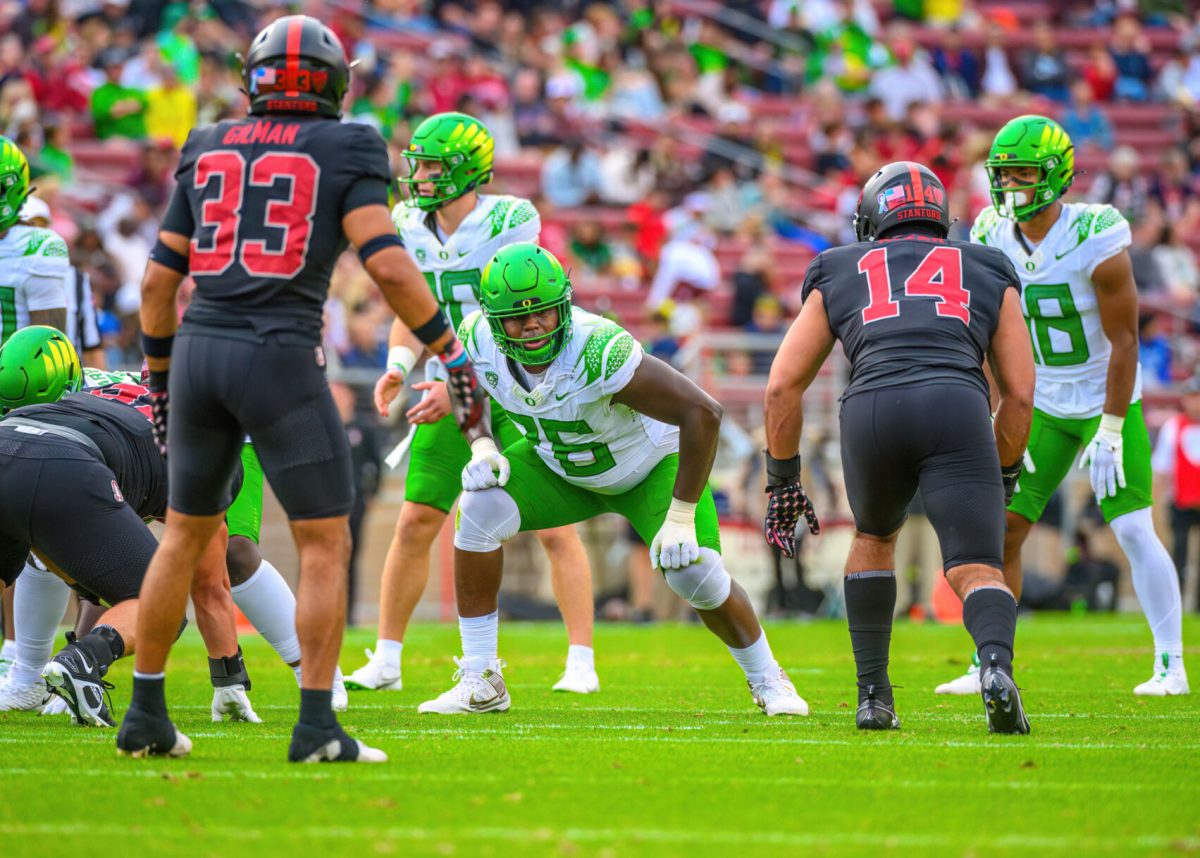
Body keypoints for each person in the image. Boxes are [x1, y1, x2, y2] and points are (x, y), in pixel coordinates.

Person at [117, 16, 486, 764]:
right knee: (325, 541)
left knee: (185, 537)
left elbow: (159, 283)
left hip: (199, 351)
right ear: (333, 81)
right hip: (279, 351)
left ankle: (146, 714)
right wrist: (451, 351)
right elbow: (385, 266)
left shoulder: (208, 143)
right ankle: (316, 726)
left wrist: (161, 383)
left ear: (252, 78)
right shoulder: (347, 145)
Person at [418, 243, 808, 717]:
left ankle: (769, 678)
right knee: (478, 510)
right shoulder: (477, 338)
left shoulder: (598, 346)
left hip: (648, 468)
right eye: (518, 319)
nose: (533, 325)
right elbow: (462, 384)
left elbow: (703, 412)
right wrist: (481, 443)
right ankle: (481, 679)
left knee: (694, 572)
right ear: (495, 322)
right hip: (560, 466)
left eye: (542, 311)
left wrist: (681, 515)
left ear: (563, 304)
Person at [763, 161, 1034, 734]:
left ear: (872, 218)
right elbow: (1020, 394)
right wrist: (1005, 468)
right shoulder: (987, 264)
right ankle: (993, 665)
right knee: (977, 565)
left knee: (873, 537)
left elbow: (783, 385)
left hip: (874, 408)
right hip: (958, 406)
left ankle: (874, 697)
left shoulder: (838, 266)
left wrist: (783, 480)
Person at [937, 115, 1188, 697]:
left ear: (1055, 175)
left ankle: (1171, 666)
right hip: (1043, 401)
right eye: (1004, 175)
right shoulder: (992, 231)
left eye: (1023, 173)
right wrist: (997, 405)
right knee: (1004, 532)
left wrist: (1112, 424)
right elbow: (992, 331)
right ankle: (991, 662)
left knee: (1131, 527)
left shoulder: (1096, 232)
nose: (1010, 186)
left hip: (1104, 395)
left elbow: (1125, 342)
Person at [353, 111, 598, 697]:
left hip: (510, 383)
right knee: (415, 520)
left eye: (434, 165)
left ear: (468, 169)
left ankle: (581, 659)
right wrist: (398, 365)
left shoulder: (511, 220)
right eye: (420, 165)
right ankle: (387, 658)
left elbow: (508, 314)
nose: (421, 176)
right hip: (445, 388)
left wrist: (463, 377)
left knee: (554, 527)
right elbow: (415, 308)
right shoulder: (408, 222)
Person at [0, 327, 257, 728]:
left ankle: (60, 666)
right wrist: (230, 681)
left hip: (10, 436)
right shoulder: (210, 449)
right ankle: (83, 661)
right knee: (164, 602)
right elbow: (209, 585)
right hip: (65, 465)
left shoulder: (106, 389)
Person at [0, 138, 69, 683]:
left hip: (19, 403)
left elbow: (51, 341)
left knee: (21, 535)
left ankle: (19, 652)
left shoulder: (37, 248)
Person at [1151, 376, 1200, 612]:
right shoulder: (1174, 427)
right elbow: (1162, 468)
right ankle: (1176, 604)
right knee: (1178, 553)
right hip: (1181, 502)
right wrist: (1160, 500)